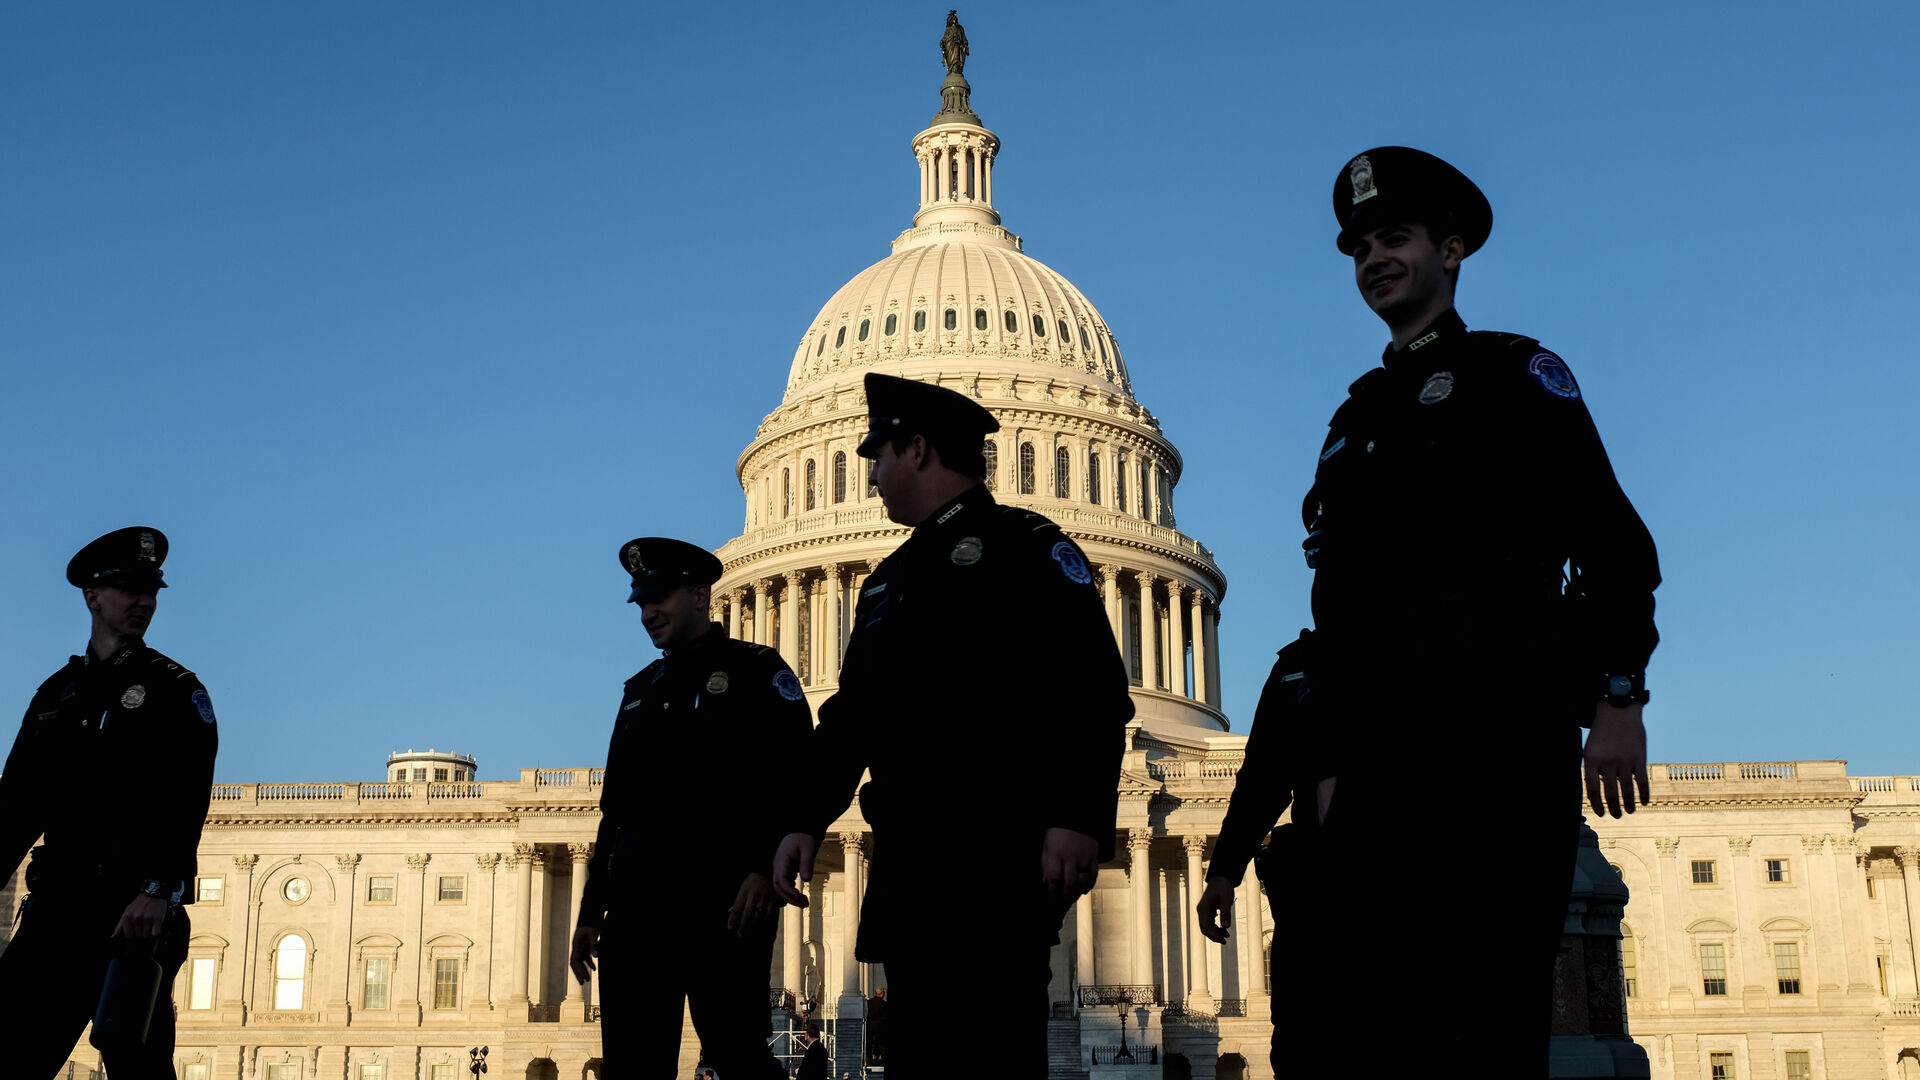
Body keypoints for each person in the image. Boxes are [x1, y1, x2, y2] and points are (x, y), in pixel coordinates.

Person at [1213, 147, 1662, 1069]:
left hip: (1494, 745)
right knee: (1378, 1031)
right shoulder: (1354, 420)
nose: (1374, 258)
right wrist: (1332, 768)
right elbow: (1339, 617)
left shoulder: (1514, 376)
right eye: (1361, 245)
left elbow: (1610, 540)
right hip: (1379, 769)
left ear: (1451, 250)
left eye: (1396, 238)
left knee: (1485, 1023)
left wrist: (1617, 694)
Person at [771, 373, 1135, 1077]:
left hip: (996, 857)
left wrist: (1077, 816)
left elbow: (1092, 689)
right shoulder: (886, 581)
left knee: (993, 1048)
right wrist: (803, 820)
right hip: (913, 863)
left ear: (917, 449)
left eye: (878, 453)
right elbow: (852, 718)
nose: (870, 473)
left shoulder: (1026, 547)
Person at [569, 537, 811, 1080]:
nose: (648, 613)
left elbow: (796, 776)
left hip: (722, 903)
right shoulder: (639, 691)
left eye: (660, 598)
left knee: (735, 1054)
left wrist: (759, 867)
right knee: (633, 1062)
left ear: (701, 595)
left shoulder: (756, 672)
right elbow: (616, 813)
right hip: (638, 911)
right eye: (640, 603)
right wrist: (590, 912)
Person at [0, 526, 220, 1078]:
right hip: (58, 911)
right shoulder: (56, 696)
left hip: (133, 919)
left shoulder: (174, 689)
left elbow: (186, 799)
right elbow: (14, 809)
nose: (144, 602)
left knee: (135, 1064)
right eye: (129, 589)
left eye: (151, 591)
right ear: (92, 596)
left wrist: (158, 889)